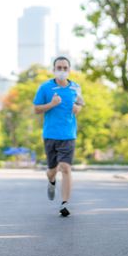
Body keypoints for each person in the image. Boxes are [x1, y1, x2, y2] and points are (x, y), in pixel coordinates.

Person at [33, 56, 84, 217]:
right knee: (52, 170)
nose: (62, 70)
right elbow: (36, 109)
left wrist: (77, 108)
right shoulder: (45, 88)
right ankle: (51, 180)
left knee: (66, 168)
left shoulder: (75, 87)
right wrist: (51, 104)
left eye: (65, 68)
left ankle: (64, 203)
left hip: (68, 135)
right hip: (50, 135)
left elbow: (80, 103)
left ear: (69, 70)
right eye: (59, 68)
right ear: (54, 69)